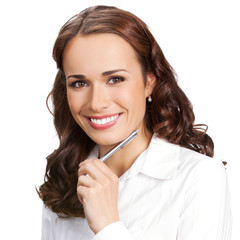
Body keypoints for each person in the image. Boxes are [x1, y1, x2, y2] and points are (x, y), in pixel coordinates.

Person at [38, 5, 231, 240]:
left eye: (115, 79)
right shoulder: (65, 184)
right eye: (79, 83)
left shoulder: (199, 177)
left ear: (149, 82)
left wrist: (108, 226)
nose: (96, 103)